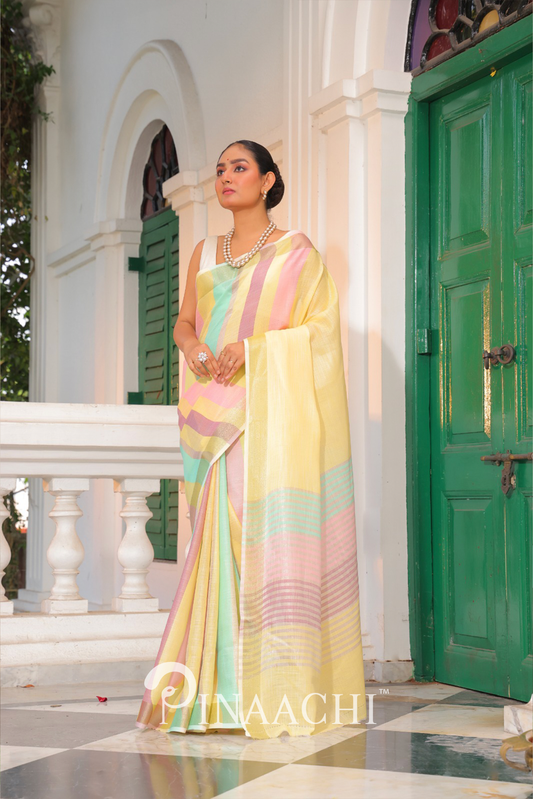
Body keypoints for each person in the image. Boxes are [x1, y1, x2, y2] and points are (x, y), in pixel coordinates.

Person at [136, 139, 366, 740]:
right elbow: (185, 321)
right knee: (214, 541)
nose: (226, 177)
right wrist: (192, 347)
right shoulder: (204, 253)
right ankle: (215, 692)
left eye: (239, 168)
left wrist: (257, 352)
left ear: (267, 181)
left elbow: (318, 332)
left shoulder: (296, 252)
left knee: (257, 531)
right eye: (219, 170)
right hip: (209, 410)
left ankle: (274, 687)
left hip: (266, 410)